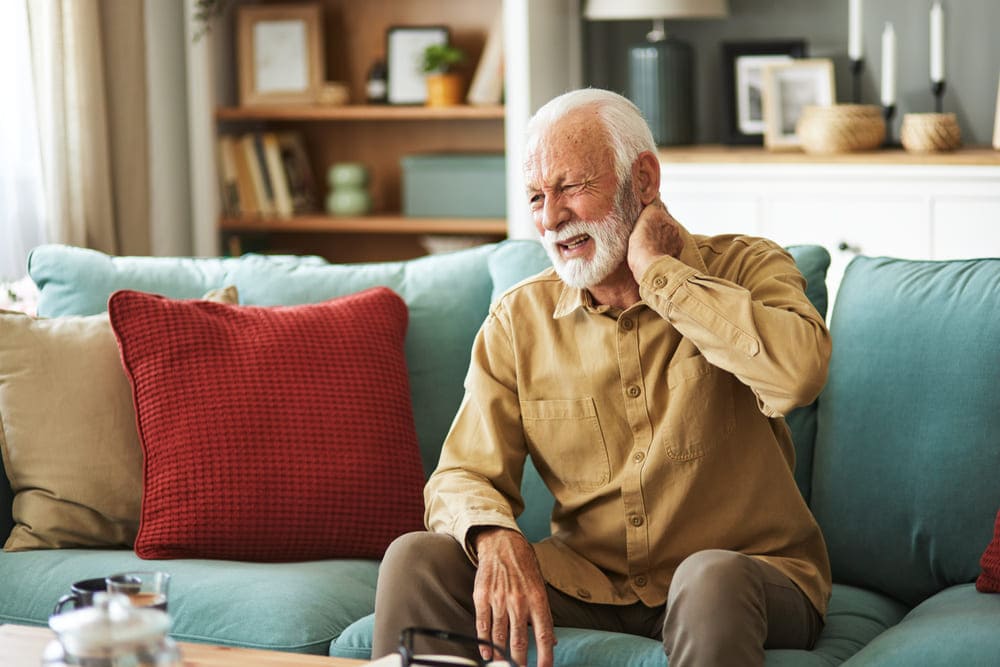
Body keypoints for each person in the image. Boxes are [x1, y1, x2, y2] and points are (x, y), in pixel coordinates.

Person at [372, 88, 831, 667]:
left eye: (569, 187)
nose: (550, 217)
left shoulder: (748, 266)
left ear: (642, 180)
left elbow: (797, 377)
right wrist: (494, 536)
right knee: (418, 559)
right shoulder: (519, 320)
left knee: (708, 578)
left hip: (748, 577)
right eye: (537, 196)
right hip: (591, 585)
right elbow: (461, 474)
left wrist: (663, 277)